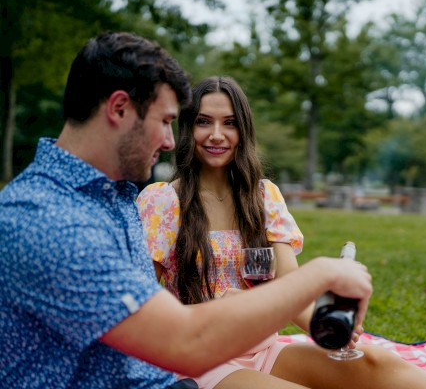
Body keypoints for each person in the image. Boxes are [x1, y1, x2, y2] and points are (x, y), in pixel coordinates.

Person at [0, 32, 374, 389]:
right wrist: (323, 273)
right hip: (187, 368)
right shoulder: (50, 221)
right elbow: (183, 341)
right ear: (118, 108)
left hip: (174, 374)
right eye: (166, 122)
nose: (168, 141)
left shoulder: (108, 199)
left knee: (370, 367)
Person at [136, 76, 426, 389]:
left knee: (373, 362)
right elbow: (140, 315)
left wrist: (325, 324)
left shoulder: (264, 197)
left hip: (264, 351)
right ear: (187, 127)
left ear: (244, 130)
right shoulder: (163, 202)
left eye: (230, 123)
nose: (216, 135)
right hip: (196, 360)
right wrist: (222, 308)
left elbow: (289, 287)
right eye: (204, 122)